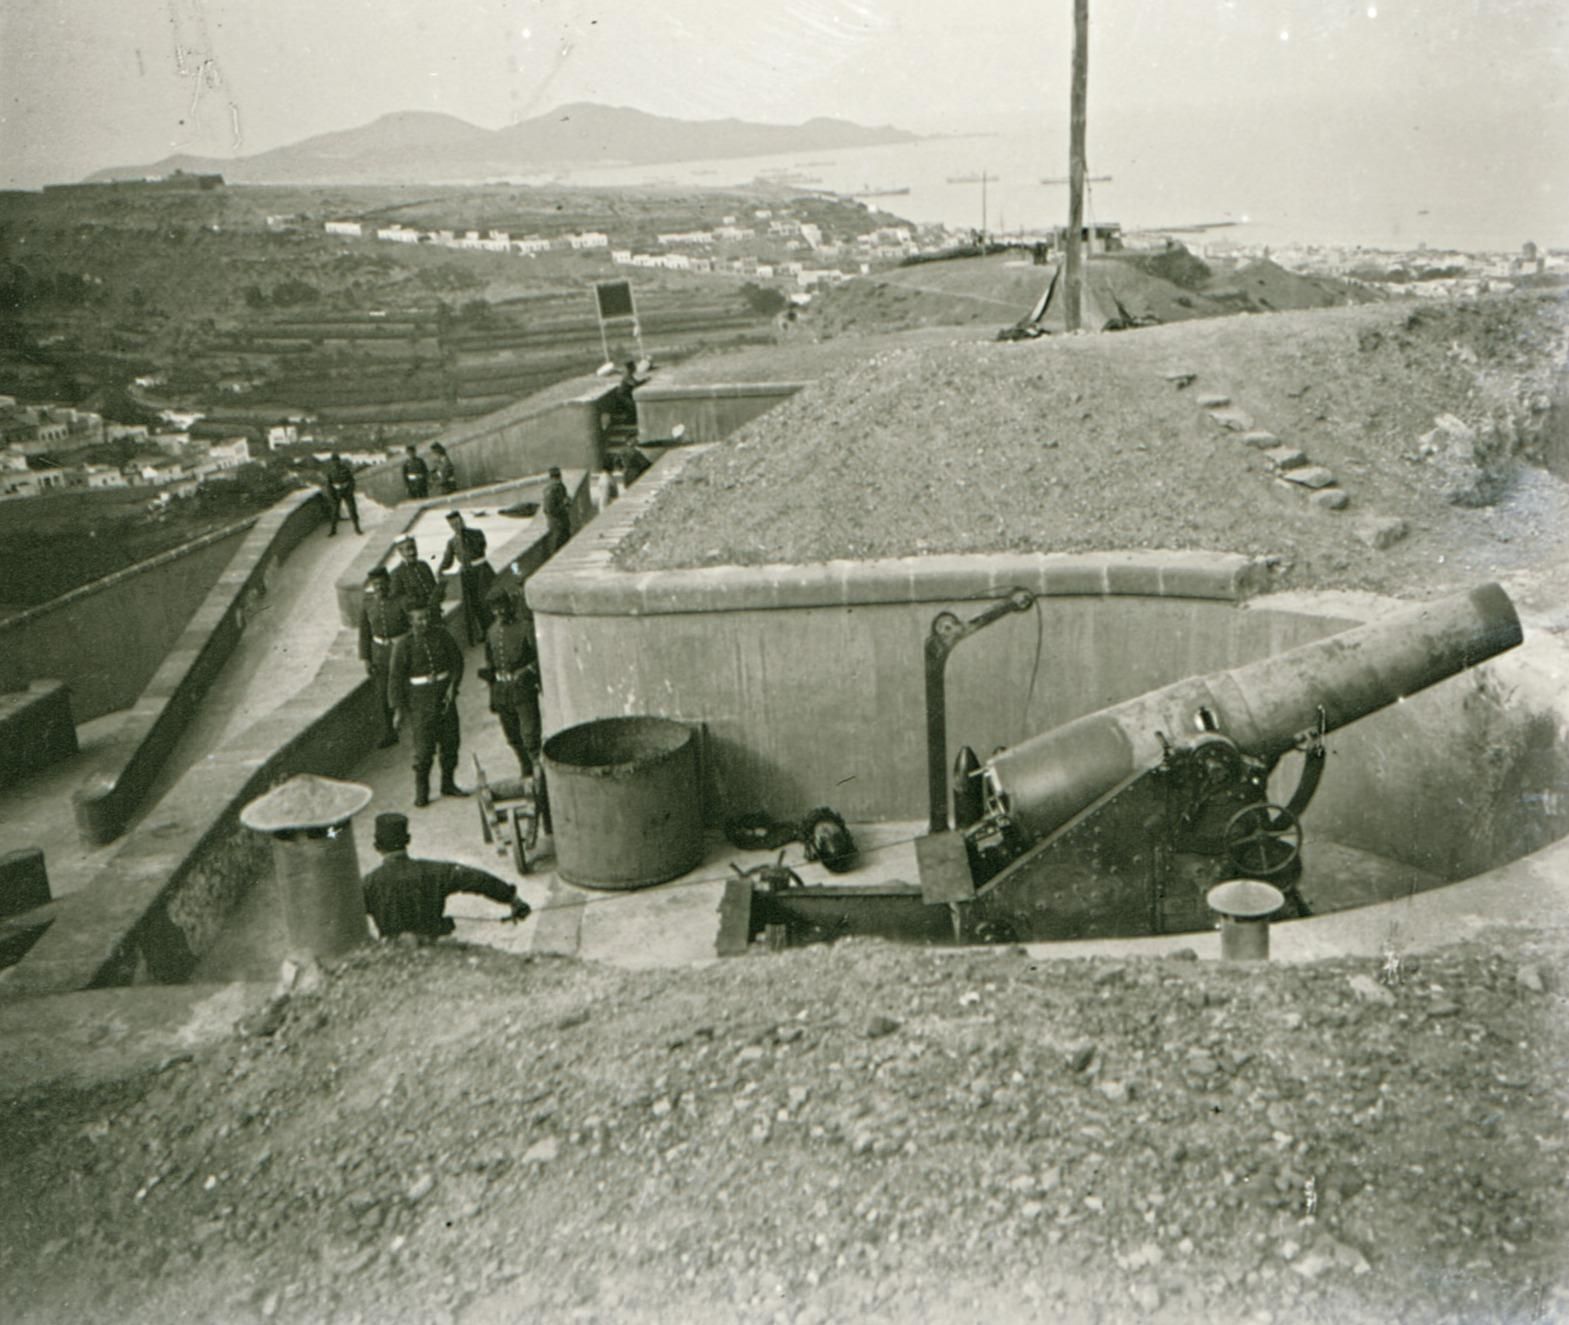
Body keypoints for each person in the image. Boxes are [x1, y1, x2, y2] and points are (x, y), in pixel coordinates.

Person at [362, 811, 531, 940]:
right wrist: (512, 898)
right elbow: (478, 879)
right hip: (436, 946)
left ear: (377, 847)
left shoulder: (368, 884)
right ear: (408, 840)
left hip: (395, 954)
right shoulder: (435, 871)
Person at [387, 600, 468, 807]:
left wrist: (452, 687)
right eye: (419, 619)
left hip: (445, 699)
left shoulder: (442, 635)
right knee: (423, 751)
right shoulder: (403, 645)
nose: (424, 622)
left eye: (426, 617)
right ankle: (421, 792)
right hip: (420, 704)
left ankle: (448, 783)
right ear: (411, 621)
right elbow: (396, 679)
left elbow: (457, 663)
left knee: (450, 743)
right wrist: (398, 710)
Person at [479, 585, 543, 781]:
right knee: (512, 735)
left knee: (530, 734)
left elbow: (540, 657)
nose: (500, 612)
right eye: (495, 609)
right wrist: (492, 694)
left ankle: (538, 769)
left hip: (523, 688)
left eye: (502, 606)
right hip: (502, 691)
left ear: (510, 605)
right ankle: (525, 765)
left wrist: (528, 671)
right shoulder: (491, 632)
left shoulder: (525, 627)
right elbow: (490, 665)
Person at [357, 566, 408, 748]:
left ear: (388, 582)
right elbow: (364, 634)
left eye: (382, 583)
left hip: (401, 650)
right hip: (381, 655)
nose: (379, 587)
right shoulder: (368, 605)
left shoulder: (401, 601)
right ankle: (389, 732)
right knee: (382, 695)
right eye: (375, 584)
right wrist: (367, 659)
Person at [438, 509, 496, 646]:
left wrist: (465, 536)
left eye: (458, 522)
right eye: (453, 525)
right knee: (475, 604)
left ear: (462, 521)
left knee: (487, 599)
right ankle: (485, 631)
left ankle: (494, 628)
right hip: (468, 574)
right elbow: (448, 559)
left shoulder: (476, 533)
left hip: (482, 571)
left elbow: (479, 548)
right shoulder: (452, 542)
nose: (456, 526)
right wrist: (440, 570)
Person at [389, 534, 438, 613]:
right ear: (400, 551)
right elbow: (397, 600)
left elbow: (434, 586)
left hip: (434, 611)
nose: (412, 552)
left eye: (414, 548)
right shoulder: (396, 574)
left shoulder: (423, 565)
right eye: (408, 549)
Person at [324, 452, 361, 536]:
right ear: (332, 462)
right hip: (336, 493)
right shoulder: (330, 472)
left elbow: (351, 481)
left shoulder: (345, 469)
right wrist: (332, 495)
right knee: (335, 512)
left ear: (339, 461)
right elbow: (328, 485)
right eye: (334, 461)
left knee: (352, 510)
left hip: (347, 492)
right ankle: (333, 530)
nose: (336, 462)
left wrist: (350, 490)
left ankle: (357, 527)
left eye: (337, 460)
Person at [541, 466, 571, 554]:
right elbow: (549, 509)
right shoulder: (552, 490)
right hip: (557, 525)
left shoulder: (560, 487)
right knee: (558, 549)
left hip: (563, 524)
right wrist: (564, 504)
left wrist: (567, 503)